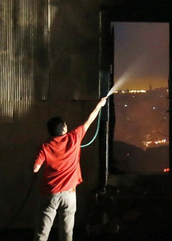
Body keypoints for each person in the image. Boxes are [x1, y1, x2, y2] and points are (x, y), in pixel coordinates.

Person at [32, 96, 108, 241]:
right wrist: (100, 105)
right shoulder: (74, 138)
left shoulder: (45, 146)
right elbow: (89, 120)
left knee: (42, 233)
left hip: (50, 194)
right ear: (64, 128)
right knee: (67, 233)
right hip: (69, 194)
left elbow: (35, 168)